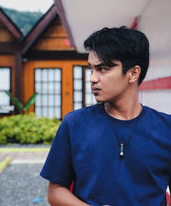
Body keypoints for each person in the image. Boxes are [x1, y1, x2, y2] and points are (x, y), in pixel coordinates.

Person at [40, 26, 171, 206]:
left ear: (133, 73)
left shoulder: (167, 128)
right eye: (92, 69)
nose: (92, 78)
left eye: (102, 69)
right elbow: (55, 192)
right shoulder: (74, 124)